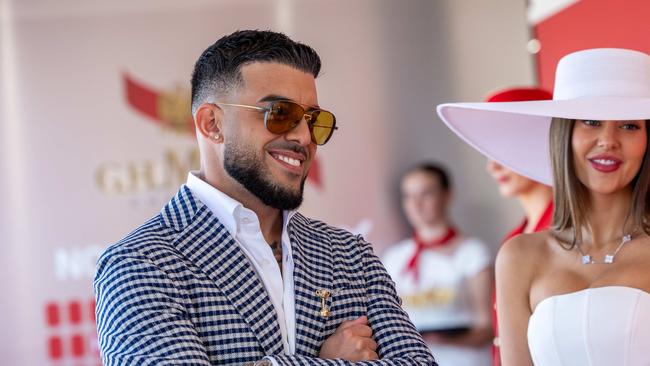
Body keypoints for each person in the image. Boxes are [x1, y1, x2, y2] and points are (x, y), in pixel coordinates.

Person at [94, 30, 436, 366]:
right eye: (280, 114)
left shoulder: (349, 254)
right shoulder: (139, 264)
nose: (303, 137)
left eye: (315, 120)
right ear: (212, 123)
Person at [437, 48, 650, 366]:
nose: (608, 140)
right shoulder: (519, 255)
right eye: (591, 121)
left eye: (630, 125)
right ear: (564, 134)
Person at [382, 163, 493, 366]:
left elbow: (487, 328)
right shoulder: (394, 258)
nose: (416, 204)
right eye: (408, 196)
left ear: (446, 195)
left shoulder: (472, 252)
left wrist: (439, 340)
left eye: (426, 194)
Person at [483, 87, 554, 366]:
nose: (493, 167)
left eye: (504, 149)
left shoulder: (571, 234)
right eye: (488, 151)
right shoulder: (514, 239)